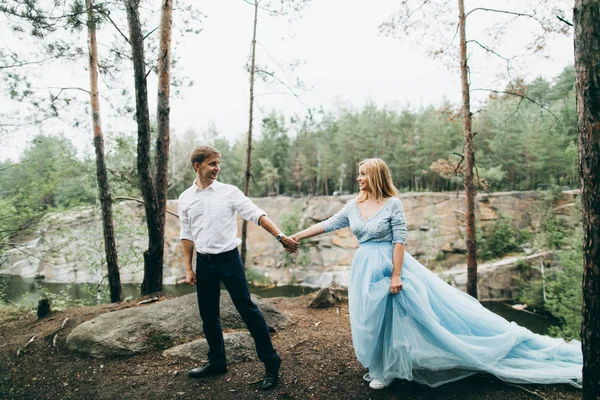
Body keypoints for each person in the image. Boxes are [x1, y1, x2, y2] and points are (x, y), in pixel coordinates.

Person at [290, 158, 582, 390]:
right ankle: (378, 363)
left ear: (376, 176)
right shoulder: (353, 206)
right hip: (363, 266)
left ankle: (387, 370)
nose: (358, 178)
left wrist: (395, 275)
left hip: (390, 265)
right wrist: (296, 236)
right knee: (370, 319)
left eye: (363, 173)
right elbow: (327, 224)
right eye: (358, 173)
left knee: (401, 318)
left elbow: (400, 240)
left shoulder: (393, 204)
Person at [178, 145, 299, 390]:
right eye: (212, 164)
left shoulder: (229, 192)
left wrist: (280, 236)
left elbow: (256, 214)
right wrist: (189, 268)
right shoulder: (185, 198)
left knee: (248, 311)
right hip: (204, 263)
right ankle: (217, 362)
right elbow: (186, 234)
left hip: (228, 260)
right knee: (208, 316)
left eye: (218, 163)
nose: (217, 168)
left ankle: (271, 363)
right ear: (197, 166)